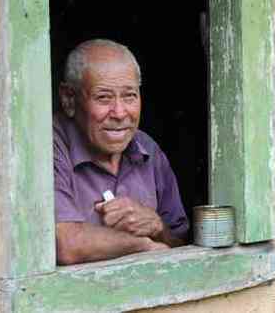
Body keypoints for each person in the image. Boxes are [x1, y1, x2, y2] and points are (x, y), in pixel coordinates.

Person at [53, 39, 189, 265]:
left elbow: (180, 245)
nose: (119, 112)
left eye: (129, 96)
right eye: (103, 97)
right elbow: (67, 244)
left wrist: (157, 226)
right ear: (69, 99)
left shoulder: (148, 150)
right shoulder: (48, 146)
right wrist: (142, 244)